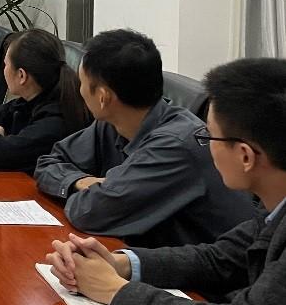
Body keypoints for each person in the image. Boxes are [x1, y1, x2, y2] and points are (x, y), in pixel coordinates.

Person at [45, 58, 286, 305]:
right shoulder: (273, 207)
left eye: (208, 137)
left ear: (246, 156)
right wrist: (119, 264)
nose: (205, 146)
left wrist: (114, 290)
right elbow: (219, 258)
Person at [35, 29, 255, 247]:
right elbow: (48, 163)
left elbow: (89, 212)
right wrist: (80, 181)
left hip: (210, 266)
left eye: (81, 82)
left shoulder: (174, 146)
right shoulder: (113, 123)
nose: (79, 90)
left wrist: (88, 191)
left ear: (103, 97)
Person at [0, 29, 90, 174]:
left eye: (6, 65)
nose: (4, 70)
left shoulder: (55, 120)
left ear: (21, 75)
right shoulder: (28, 101)